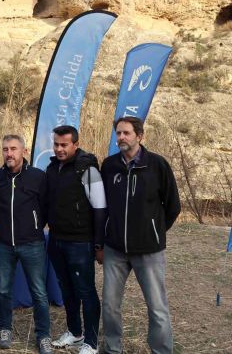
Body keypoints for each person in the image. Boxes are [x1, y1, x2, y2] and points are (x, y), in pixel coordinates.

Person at [101, 117, 180, 354]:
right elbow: (103, 206)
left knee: (157, 307)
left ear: (140, 136)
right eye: (118, 133)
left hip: (149, 251)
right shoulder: (109, 166)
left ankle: (161, 350)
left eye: (126, 133)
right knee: (110, 305)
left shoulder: (157, 165)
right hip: (115, 250)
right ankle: (112, 348)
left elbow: (173, 206)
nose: (121, 137)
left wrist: (153, 231)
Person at [44, 126, 107, 354]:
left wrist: (98, 245)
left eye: (64, 145)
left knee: (86, 291)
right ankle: (75, 332)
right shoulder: (52, 168)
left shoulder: (87, 170)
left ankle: (91, 342)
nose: (59, 149)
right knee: (67, 290)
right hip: (56, 240)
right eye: (56, 144)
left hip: (80, 243)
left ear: (75, 144)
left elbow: (100, 209)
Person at [0, 135, 53, 353]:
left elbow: (45, 208)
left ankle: (43, 335)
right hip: (3, 243)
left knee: (39, 292)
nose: (9, 153)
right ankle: (5, 328)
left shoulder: (37, 176)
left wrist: (34, 227)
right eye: (5, 149)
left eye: (13, 149)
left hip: (32, 244)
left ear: (24, 151)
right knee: (3, 289)